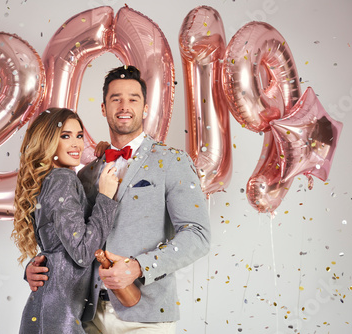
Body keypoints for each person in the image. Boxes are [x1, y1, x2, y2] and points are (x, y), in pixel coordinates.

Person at [26, 66, 211, 333]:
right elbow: (70, 235)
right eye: (116, 99)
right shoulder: (87, 172)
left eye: (133, 98)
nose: (125, 106)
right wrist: (36, 266)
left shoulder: (173, 161)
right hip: (86, 315)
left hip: (145, 316)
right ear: (103, 108)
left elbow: (198, 234)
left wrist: (139, 267)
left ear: (145, 108)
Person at [12, 107, 120, 333]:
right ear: (47, 141)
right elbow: (81, 252)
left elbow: (56, 243)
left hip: (51, 306)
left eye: (79, 136)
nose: (76, 144)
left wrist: (101, 155)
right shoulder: (62, 179)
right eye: (65, 136)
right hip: (59, 314)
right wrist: (106, 198)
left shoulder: (49, 179)